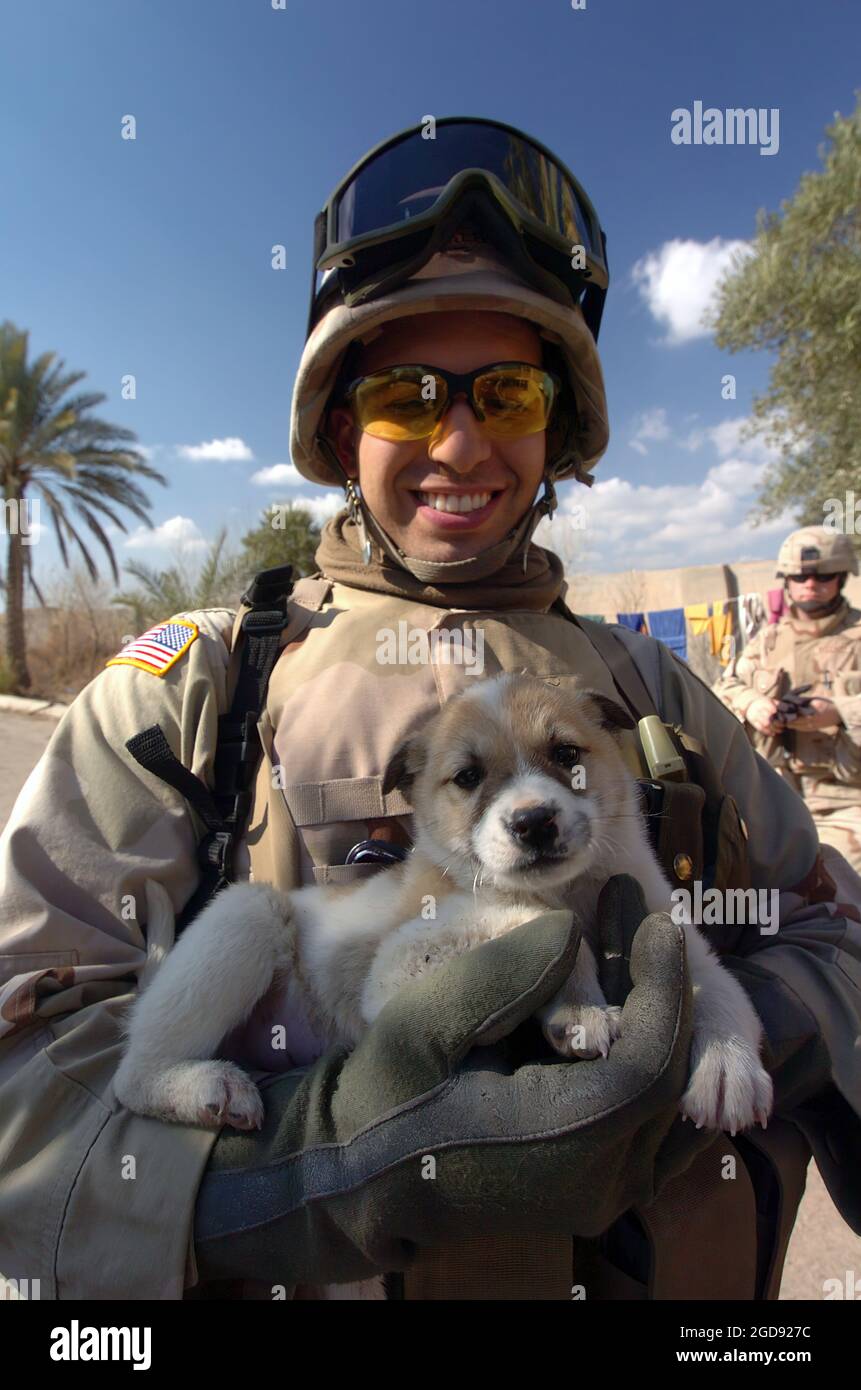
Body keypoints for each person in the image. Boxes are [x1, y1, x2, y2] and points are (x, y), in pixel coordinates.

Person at [1, 117, 860, 1302]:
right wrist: (288, 1180)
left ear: (554, 428)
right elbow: (23, 1066)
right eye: (407, 394)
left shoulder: (655, 692)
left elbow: (837, 932)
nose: (460, 437)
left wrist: (729, 1029)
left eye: (506, 389)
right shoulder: (192, 689)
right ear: (345, 429)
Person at [713, 526, 861, 873]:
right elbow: (724, 687)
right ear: (787, 581)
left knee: (841, 877)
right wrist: (753, 704)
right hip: (773, 797)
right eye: (801, 576)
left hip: (846, 797)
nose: (811, 584)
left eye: (824, 575)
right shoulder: (768, 641)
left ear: (841, 578)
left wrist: (840, 712)